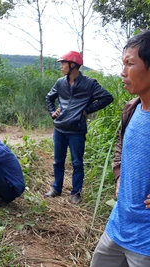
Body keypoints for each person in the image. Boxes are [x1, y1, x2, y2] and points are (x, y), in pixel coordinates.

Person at [90, 30, 150, 266]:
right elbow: (121, 147)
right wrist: (118, 177)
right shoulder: (131, 109)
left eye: (130, 64)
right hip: (118, 227)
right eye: (122, 64)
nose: (122, 73)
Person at [45, 51, 114, 204]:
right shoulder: (60, 82)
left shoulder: (89, 83)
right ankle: (56, 188)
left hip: (77, 130)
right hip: (60, 128)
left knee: (77, 163)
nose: (61, 66)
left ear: (73, 65)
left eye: (63, 63)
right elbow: (49, 97)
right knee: (58, 161)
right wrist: (52, 112)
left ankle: (76, 193)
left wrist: (87, 110)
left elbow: (107, 97)